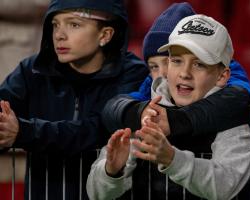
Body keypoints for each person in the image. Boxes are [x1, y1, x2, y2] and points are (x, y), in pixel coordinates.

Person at [93, 2, 250, 199]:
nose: (184, 73)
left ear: (222, 75)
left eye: (199, 64)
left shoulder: (232, 113)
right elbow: (97, 192)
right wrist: (111, 172)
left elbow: (240, 101)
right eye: (176, 61)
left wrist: (172, 158)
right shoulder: (149, 107)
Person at [0, 0, 148, 199]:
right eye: (55, 25)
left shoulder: (133, 74)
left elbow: (98, 129)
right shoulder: (32, 70)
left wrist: (23, 132)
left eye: (74, 24)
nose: (59, 35)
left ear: (105, 35)